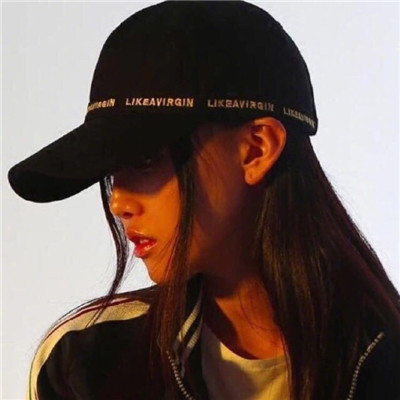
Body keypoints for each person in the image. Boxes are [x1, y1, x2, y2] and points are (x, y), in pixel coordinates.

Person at [7, 1, 400, 399]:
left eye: (145, 160)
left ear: (256, 149)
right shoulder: (82, 365)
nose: (118, 202)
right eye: (111, 169)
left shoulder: (385, 361)